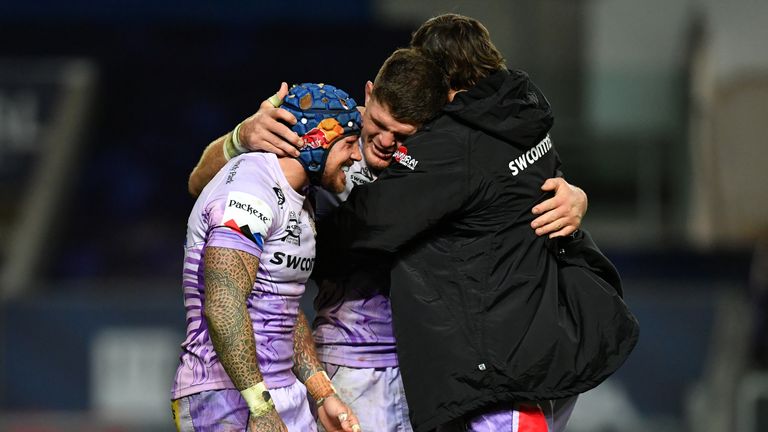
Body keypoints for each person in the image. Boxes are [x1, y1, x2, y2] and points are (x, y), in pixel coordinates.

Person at [186, 50, 588, 431]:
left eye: (401, 134)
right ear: (368, 95)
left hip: (431, 365)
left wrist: (572, 195)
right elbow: (202, 184)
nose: (382, 141)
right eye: (376, 125)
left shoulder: (437, 160)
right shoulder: (322, 138)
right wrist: (239, 138)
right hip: (349, 364)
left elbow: (504, 183)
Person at [319, 14, 640, 432]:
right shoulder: (519, 113)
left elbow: (366, 226)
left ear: (446, 82)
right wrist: (577, 194)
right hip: (537, 348)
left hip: (502, 380)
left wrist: (303, 247)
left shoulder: (457, 139)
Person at [171, 83, 365, 432]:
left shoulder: (298, 197)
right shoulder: (249, 187)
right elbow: (224, 302)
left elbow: (282, 307)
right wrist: (260, 408)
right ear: (317, 141)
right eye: (349, 144)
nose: (354, 156)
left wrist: (322, 392)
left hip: (277, 391)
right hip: (226, 399)